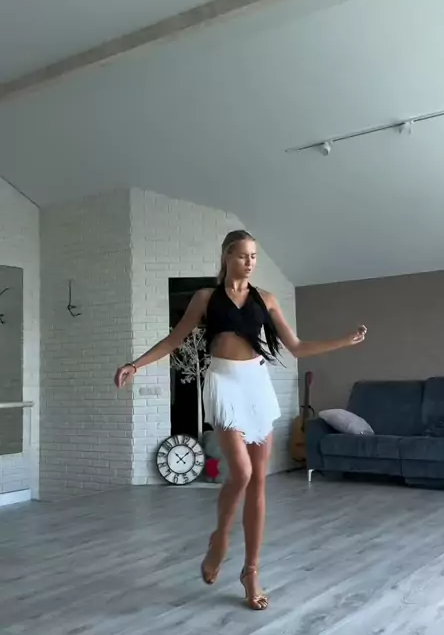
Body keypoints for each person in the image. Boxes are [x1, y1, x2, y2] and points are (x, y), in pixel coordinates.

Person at [114, 230, 367, 611]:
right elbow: (174, 340)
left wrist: (343, 341)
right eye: (243, 255)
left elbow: (297, 347)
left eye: (254, 256)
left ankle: (251, 571)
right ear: (227, 256)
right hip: (223, 383)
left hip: (257, 385)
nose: (250, 262)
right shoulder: (206, 298)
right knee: (243, 473)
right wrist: (135, 365)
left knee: (259, 481)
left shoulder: (266, 298)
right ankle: (220, 539)